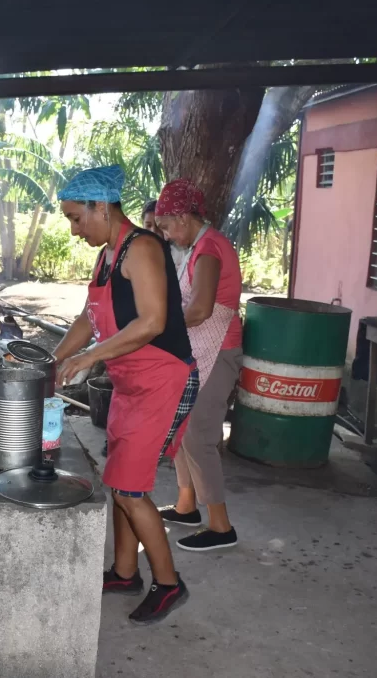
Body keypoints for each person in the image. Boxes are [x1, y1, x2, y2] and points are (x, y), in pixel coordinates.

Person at [53, 166, 198, 625]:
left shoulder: (144, 249)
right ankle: (124, 571)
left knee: (132, 490)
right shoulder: (107, 255)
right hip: (131, 383)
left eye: (77, 219)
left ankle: (170, 584)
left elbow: (153, 322)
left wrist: (91, 358)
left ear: (102, 207)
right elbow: (87, 319)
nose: (75, 231)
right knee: (118, 478)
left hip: (164, 381)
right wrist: (53, 362)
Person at [153, 179, 243, 551]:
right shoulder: (198, 246)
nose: (168, 236)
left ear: (182, 217)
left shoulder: (209, 248)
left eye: (166, 227)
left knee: (199, 433)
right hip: (200, 346)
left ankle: (221, 526)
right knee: (183, 426)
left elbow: (202, 309)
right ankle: (187, 505)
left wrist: (158, 326)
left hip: (219, 349)